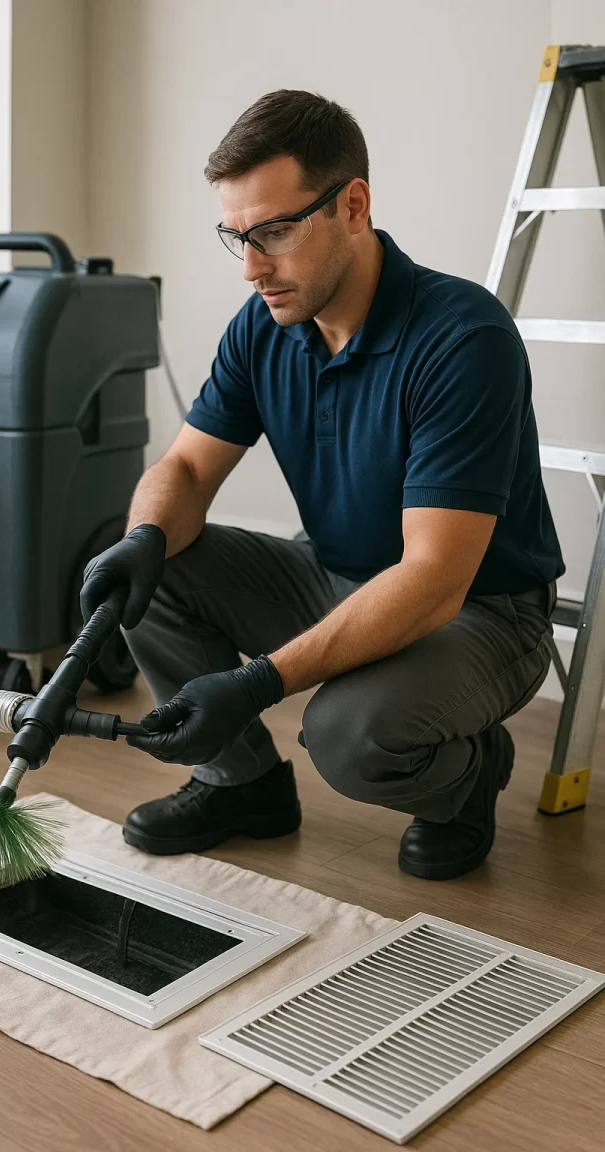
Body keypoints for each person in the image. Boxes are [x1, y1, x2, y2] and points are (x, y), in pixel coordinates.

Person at [80, 89, 564, 881]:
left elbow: (436, 577)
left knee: (346, 736)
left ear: (353, 205)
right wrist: (142, 538)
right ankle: (244, 787)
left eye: (273, 230)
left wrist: (256, 682)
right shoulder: (268, 324)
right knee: (151, 565)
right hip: (334, 575)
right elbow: (187, 468)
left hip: (480, 613)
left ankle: (467, 773)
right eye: (236, 235)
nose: (250, 266)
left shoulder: (461, 336)